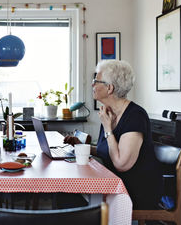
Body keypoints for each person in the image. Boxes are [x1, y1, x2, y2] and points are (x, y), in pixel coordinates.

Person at [64, 60, 162, 210]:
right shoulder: (109, 112)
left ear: (109, 88)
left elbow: (121, 164)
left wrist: (108, 128)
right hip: (116, 184)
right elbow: (108, 150)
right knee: (67, 193)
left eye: (96, 80)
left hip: (135, 191)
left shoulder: (135, 116)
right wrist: (83, 146)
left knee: (72, 198)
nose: (92, 84)